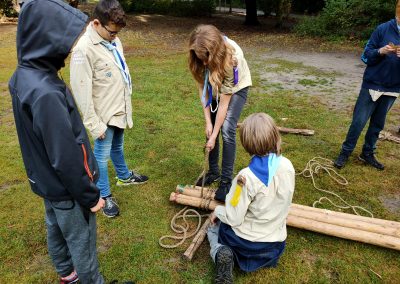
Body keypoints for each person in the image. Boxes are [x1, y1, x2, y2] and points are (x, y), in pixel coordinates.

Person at [8, 0, 105, 283]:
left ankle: (66, 275)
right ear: (46, 37)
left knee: (55, 228)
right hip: (68, 189)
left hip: (46, 182)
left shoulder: (23, 75)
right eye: (66, 40)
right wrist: (90, 195)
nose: (70, 47)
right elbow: (65, 155)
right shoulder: (46, 92)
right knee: (82, 242)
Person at [70, 0, 148, 218]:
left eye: (117, 32)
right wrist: (94, 124)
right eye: (112, 32)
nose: (116, 36)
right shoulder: (83, 50)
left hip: (119, 107)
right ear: (96, 23)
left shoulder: (113, 40)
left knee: (118, 145)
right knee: (101, 156)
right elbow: (81, 92)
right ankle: (103, 194)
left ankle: (123, 176)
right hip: (102, 115)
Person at [207, 113, 295, 284]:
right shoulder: (288, 166)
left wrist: (217, 211)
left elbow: (234, 217)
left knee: (213, 227)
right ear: (275, 136)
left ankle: (222, 252)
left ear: (246, 143)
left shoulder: (244, 179)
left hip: (245, 243)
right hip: (273, 245)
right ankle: (262, 260)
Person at [188, 24, 252, 202]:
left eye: (207, 58)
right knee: (211, 130)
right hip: (216, 86)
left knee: (226, 129)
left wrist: (215, 134)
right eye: (201, 59)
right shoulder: (199, 58)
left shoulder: (233, 58)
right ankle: (213, 172)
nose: (205, 63)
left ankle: (225, 181)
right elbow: (204, 91)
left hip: (236, 88)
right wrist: (208, 122)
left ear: (215, 50)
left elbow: (224, 103)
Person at [333, 8, 400, 170]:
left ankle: (367, 153)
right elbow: (365, 55)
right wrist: (380, 51)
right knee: (358, 122)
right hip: (373, 84)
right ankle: (345, 152)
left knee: (378, 124)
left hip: (393, 87)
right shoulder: (382, 29)